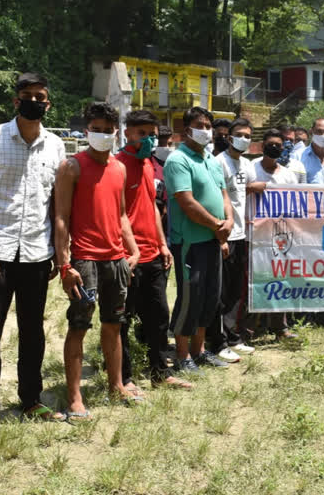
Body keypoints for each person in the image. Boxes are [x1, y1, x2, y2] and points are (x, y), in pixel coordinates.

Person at [0, 73, 67, 433]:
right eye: (27, 95)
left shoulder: (56, 146)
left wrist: (59, 253)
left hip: (37, 255)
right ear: (15, 101)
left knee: (33, 332)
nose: (34, 101)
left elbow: (56, 206)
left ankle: (30, 400)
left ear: (48, 104)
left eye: (40, 96)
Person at [54, 102, 141, 421]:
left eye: (108, 130)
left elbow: (120, 215)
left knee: (114, 325)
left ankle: (116, 384)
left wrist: (133, 251)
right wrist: (65, 264)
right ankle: (75, 397)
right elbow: (61, 217)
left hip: (116, 259)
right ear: (86, 130)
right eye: (97, 129)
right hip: (85, 259)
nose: (103, 135)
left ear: (115, 132)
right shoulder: (72, 167)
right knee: (79, 326)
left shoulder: (118, 168)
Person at [115, 110, 191, 390]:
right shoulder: (117, 166)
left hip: (154, 255)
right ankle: (125, 377)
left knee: (159, 317)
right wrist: (127, 252)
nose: (148, 139)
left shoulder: (149, 165)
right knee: (122, 320)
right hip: (128, 257)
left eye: (152, 134)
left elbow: (153, 209)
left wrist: (162, 244)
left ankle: (161, 373)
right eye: (141, 134)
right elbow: (116, 214)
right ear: (127, 134)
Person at [164, 107, 235, 375]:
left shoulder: (211, 161)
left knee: (209, 299)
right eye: (200, 125)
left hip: (213, 241)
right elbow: (186, 201)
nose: (205, 130)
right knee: (189, 298)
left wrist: (228, 222)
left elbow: (223, 194)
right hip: (189, 244)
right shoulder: (178, 160)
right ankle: (182, 356)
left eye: (208, 125)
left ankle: (199, 350)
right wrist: (218, 226)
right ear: (186, 129)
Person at [208, 117, 258, 362]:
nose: (244, 139)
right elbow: (218, 200)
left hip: (242, 235)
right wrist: (222, 238)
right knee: (221, 291)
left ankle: (233, 337)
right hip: (226, 236)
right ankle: (216, 342)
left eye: (248, 136)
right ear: (229, 137)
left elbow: (249, 188)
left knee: (236, 290)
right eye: (240, 134)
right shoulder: (219, 163)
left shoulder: (246, 164)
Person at [246, 129, 300, 340]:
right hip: (255, 236)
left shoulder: (288, 175)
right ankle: (249, 329)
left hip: (280, 237)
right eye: (271, 144)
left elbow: (296, 205)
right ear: (262, 146)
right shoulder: (251, 168)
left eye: (280, 144)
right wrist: (251, 187)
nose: (275, 147)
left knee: (280, 279)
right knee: (254, 281)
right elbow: (237, 193)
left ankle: (280, 327)